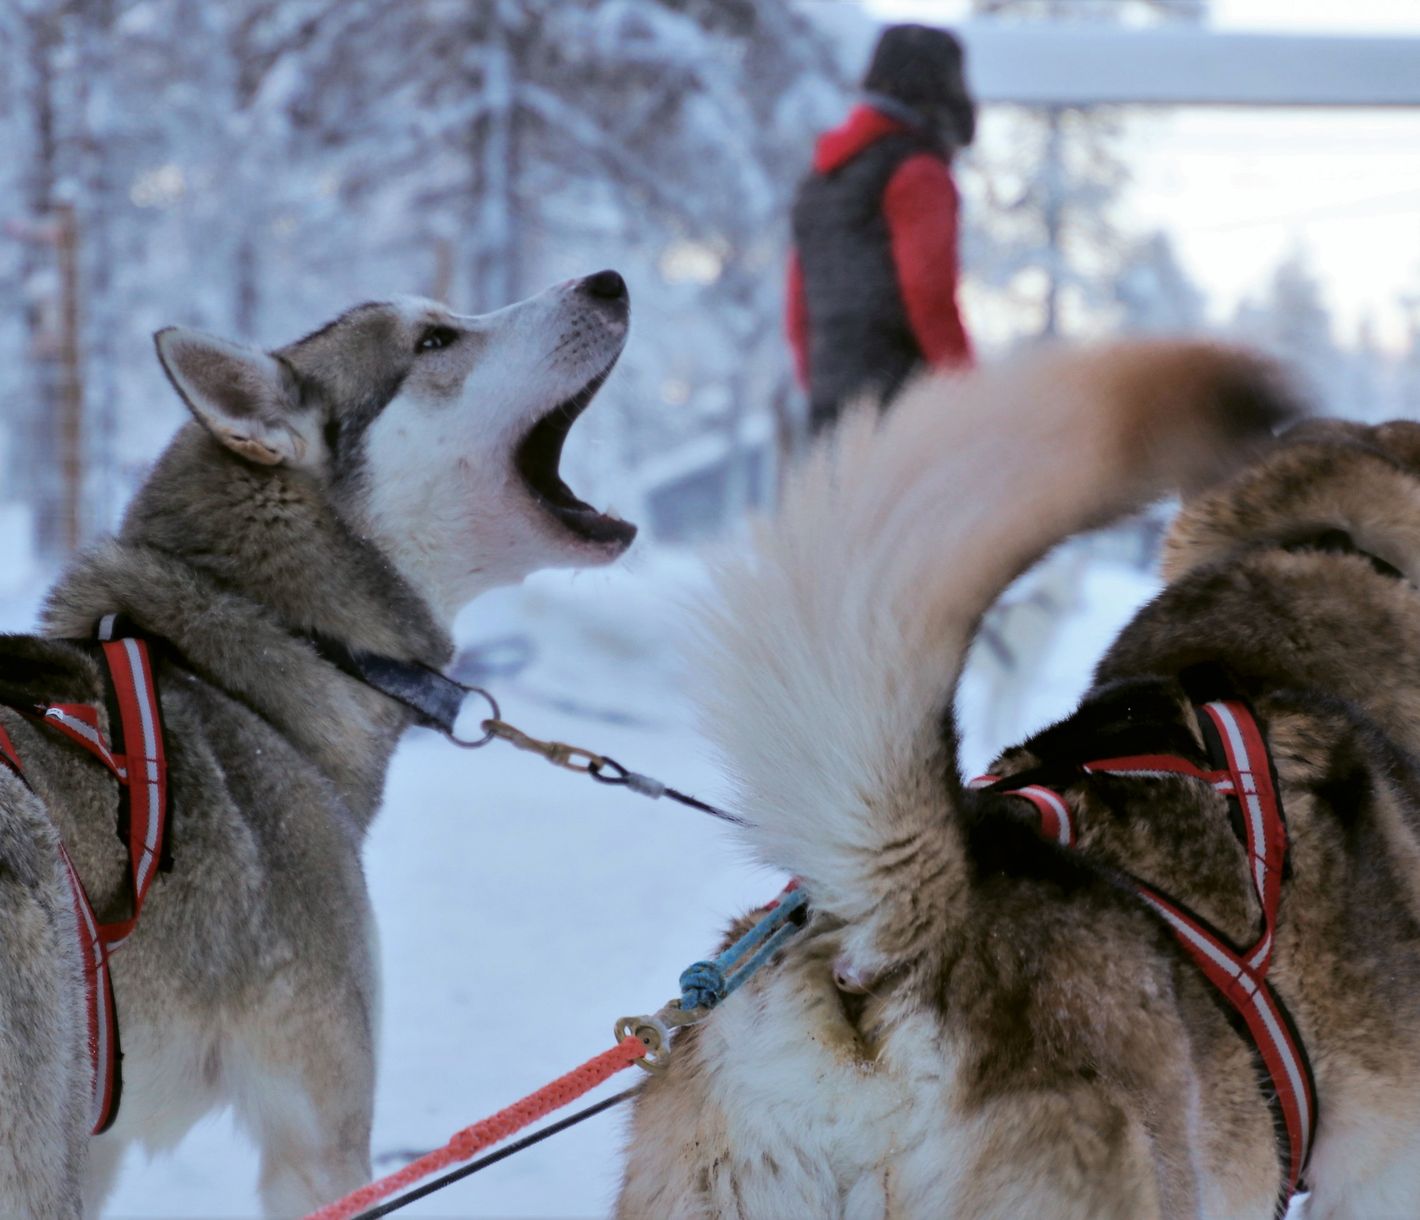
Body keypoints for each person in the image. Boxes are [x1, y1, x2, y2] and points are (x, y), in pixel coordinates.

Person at [787, 24, 976, 435]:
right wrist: (966, 395)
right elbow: (929, 296)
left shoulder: (822, 177)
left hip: (831, 411)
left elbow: (798, 311)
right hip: (905, 409)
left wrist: (822, 390)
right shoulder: (918, 171)